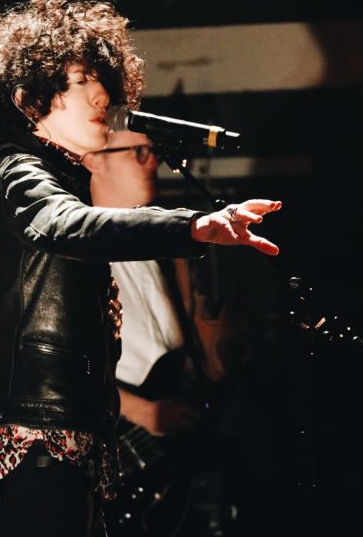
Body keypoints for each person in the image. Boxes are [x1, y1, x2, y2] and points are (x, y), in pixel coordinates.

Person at [0, 0, 282, 537]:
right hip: (37, 444)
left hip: (72, 442)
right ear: (29, 100)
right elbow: (66, 225)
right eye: (80, 81)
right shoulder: (20, 175)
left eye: (102, 80)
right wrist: (193, 226)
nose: (102, 95)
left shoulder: (59, 180)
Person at [84, 130, 289, 536]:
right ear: (94, 159)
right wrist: (144, 412)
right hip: (121, 441)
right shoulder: (81, 247)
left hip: (168, 441)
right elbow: (62, 369)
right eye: (139, 151)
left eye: (152, 151)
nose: (153, 161)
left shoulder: (157, 244)